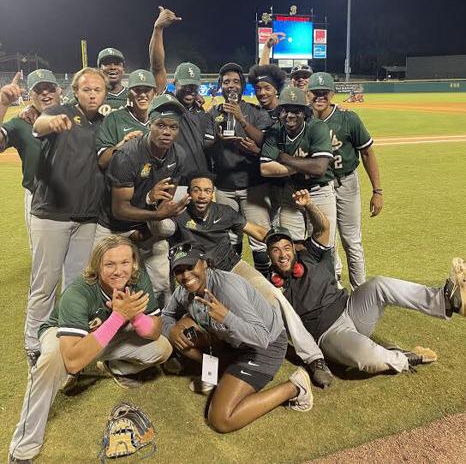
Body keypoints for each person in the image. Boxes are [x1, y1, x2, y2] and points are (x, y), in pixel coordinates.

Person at [150, 172, 333, 387]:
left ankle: (314, 358)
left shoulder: (224, 213)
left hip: (233, 266)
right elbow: (158, 228)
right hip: (199, 275)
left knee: (275, 297)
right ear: (189, 193)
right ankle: (208, 364)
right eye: (196, 190)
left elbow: (255, 230)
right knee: (196, 317)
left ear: (213, 194)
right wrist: (154, 202)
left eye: (207, 191)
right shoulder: (178, 215)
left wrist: (284, 243)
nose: (202, 196)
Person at [266, 189, 466, 375]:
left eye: (286, 248)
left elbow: (323, 227)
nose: (283, 254)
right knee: (365, 356)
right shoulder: (269, 286)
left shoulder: (309, 255)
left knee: (379, 284)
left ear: (294, 248)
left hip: (352, 308)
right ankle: (404, 357)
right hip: (329, 334)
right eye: (276, 251)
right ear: (269, 256)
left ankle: (446, 300)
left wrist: (308, 204)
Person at [8, 236, 172, 464]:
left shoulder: (138, 279)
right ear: (97, 265)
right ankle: (23, 448)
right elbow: (73, 358)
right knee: (51, 364)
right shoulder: (78, 293)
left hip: (105, 339)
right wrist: (118, 317)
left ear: (134, 263)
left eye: (125, 262)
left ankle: (113, 366)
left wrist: (134, 315)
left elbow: (154, 332)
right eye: (110, 264)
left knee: (161, 347)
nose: (119, 271)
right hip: (64, 339)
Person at [161, 244, 313, 433]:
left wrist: (227, 317)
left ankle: (296, 387)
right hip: (233, 341)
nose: (185, 276)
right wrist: (171, 330)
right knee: (182, 329)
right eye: (179, 270)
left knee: (221, 419)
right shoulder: (184, 290)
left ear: (204, 264)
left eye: (190, 267)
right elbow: (166, 315)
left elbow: (262, 337)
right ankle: (219, 372)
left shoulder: (227, 289)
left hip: (265, 347)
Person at [25, 67, 107, 366]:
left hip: (87, 218)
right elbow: (40, 125)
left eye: (97, 89)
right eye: (86, 89)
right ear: (75, 91)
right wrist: (52, 121)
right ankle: (34, 345)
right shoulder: (60, 112)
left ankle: (71, 342)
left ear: (105, 93)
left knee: (75, 285)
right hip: (52, 215)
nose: (92, 94)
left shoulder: (105, 123)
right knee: (44, 284)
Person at [95, 94, 190, 305]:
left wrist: (158, 216)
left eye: (173, 127)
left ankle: (162, 325)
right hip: (114, 227)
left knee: (161, 284)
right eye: (160, 125)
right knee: (106, 283)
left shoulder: (179, 155)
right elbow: (119, 209)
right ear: (149, 124)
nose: (167, 132)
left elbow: (168, 197)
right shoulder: (127, 156)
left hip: (146, 221)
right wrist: (157, 212)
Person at [308, 72, 383, 288]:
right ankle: (334, 288)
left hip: (346, 182)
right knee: (326, 241)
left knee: (352, 240)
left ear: (332, 94)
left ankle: (360, 292)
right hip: (320, 187)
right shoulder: (303, 119)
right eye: (315, 92)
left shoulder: (348, 118)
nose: (320, 97)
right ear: (308, 94)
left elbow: (368, 153)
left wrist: (377, 191)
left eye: (324, 93)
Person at [207, 62, 273, 276]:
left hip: (254, 187)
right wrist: (216, 141)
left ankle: (266, 287)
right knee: (231, 238)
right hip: (224, 187)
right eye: (226, 82)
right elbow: (205, 146)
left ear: (243, 87)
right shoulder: (213, 113)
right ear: (221, 86)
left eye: (236, 81)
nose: (231, 85)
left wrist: (241, 119)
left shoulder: (254, 111)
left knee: (260, 240)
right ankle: (234, 283)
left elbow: (265, 141)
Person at [148, 6, 213, 196]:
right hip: (172, 182)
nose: (189, 90)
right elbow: (157, 67)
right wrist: (158, 29)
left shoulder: (202, 112)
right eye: (185, 85)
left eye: (193, 86)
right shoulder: (166, 104)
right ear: (174, 83)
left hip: (200, 183)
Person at [260, 87, 335, 244]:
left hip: (319, 191)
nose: (290, 115)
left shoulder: (317, 127)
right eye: (285, 110)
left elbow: (319, 169)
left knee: (325, 246)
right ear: (279, 112)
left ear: (305, 113)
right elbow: (265, 169)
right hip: (291, 192)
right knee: (293, 245)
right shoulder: (275, 131)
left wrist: (282, 157)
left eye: (296, 111)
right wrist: (306, 163)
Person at [0, 70, 61, 245]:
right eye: (38, 89)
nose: (45, 93)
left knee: (75, 262)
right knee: (42, 259)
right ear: (30, 95)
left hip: (74, 196)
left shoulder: (74, 114)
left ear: (59, 91)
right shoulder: (20, 123)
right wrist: (3, 104)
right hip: (38, 196)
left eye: (49, 88)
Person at [96, 69, 156, 169]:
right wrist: (122, 145)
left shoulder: (161, 120)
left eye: (147, 90)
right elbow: (102, 162)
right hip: (122, 181)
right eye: (137, 90)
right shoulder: (114, 118)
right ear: (128, 94)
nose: (142, 94)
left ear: (155, 93)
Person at [96, 47, 128, 116]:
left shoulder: (134, 96)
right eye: (107, 64)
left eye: (117, 64)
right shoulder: (93, 96)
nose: (113, 67)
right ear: (99, 70)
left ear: (123, 70)